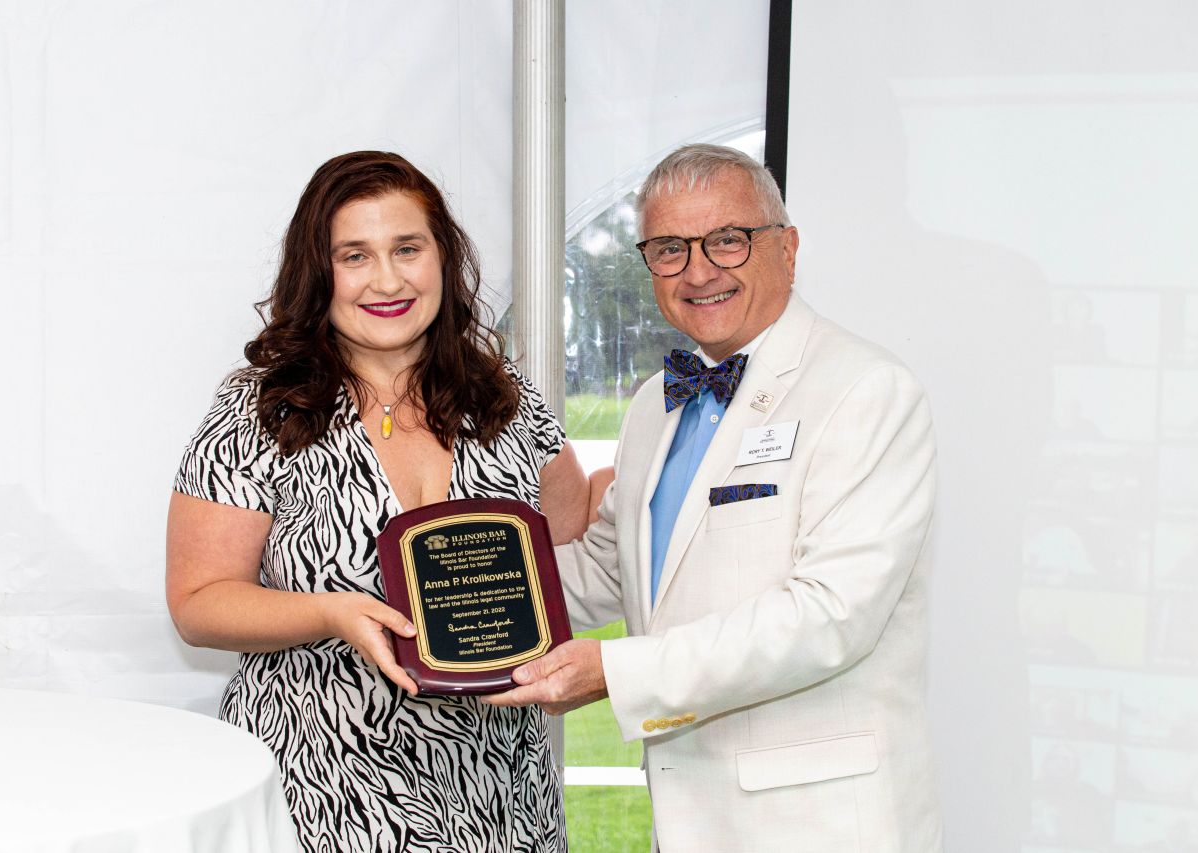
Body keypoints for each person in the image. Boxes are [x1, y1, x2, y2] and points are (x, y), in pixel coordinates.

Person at [487, 144, 943, 852]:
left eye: (728, 239)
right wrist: (435, 603)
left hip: (819, 825)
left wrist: (616, 671)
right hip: (688, 820)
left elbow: (830, 614)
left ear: (787, 248)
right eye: (670, 248)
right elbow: (611, 565)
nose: (698, 271)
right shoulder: (653, 405)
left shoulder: (865, 390)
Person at [166, 151, 588, 852]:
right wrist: (330, 613)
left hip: (502, 798)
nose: (388, 280)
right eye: (355, 255)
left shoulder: (505, 398)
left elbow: (570, 533)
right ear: (318, 272)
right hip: (323, 796)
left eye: (407, 249)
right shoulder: (261, 409)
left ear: (443, 258)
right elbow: (197, 602)